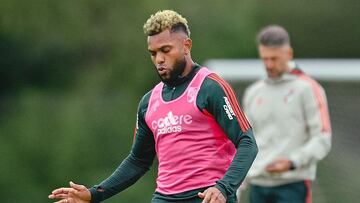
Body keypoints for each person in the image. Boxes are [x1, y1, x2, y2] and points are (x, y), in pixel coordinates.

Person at [49, 10, 258, 203]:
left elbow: (247, 143)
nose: (159, 59)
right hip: (164, 198)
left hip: (207, 196)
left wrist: (224, 187)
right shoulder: (149, 102)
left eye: (166, 50)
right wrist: (94, 194)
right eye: (153, 53)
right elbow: (138, 161)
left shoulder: (211, 87)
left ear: (186, 46)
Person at [240, 25, 332, 203]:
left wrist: (292, 162)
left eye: (274, 58)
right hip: (258, 186)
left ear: (288, 54)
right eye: (264, 59)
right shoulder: (253, 92)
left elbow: (323, 138)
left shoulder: (308, 89)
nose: (269, 64)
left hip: (293, 184)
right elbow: (245, 142)